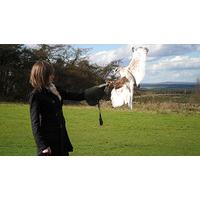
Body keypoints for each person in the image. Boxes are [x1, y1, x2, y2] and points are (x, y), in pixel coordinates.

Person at [29, 60, 106, 156]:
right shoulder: (36, 95)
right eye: (50, 74)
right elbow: (35, 123)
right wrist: (43, 146)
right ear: (42, 75)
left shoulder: (54, 89)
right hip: (48, 142)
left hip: (61, 138)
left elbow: (76, 96)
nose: (53, 76)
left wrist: (98, 89)